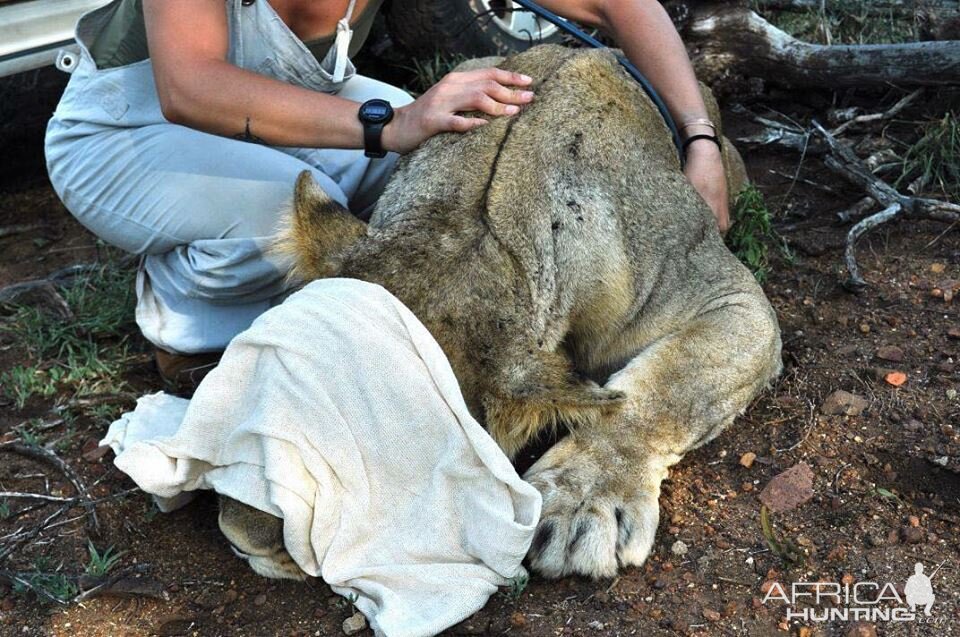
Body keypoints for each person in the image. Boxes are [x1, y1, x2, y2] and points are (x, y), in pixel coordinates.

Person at [45, 0, 729, 386]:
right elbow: (189, 86)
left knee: (437, 153)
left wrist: (699, 138)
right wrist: (391, 125)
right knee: (292, 210)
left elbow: (614, 3)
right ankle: (181, 314)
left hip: (280, 105)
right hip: (123, 125)